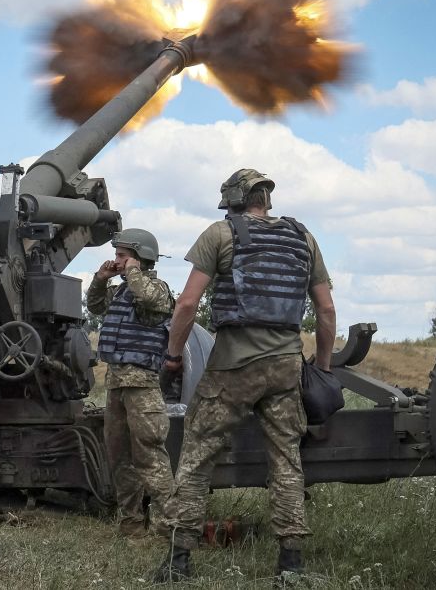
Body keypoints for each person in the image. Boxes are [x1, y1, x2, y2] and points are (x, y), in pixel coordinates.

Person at [153, 169, 336, 581]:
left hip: (232, 366)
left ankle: (178, 562)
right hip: (286, 366)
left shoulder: (219, 234)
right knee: (287, 463)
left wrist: (173, 356)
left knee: (197, 458)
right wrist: (322, 368)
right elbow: (325, 310)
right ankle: (290, 564)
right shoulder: (303, 238)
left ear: (234, 200)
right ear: (266, 199)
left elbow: (185, 305)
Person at [86, 228, 176, 537]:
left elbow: (149, 298)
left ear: (140, 259)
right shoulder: (122, 292)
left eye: (122, 256)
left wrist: (134, 272)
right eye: (117, 255)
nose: (117, 261)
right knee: (120, 459)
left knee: (150, 457)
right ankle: (132, 526)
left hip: (143, 387)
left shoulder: (157, 289)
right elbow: (95, 306)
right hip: (116, 386)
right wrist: (101, 278)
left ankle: (168, 529)